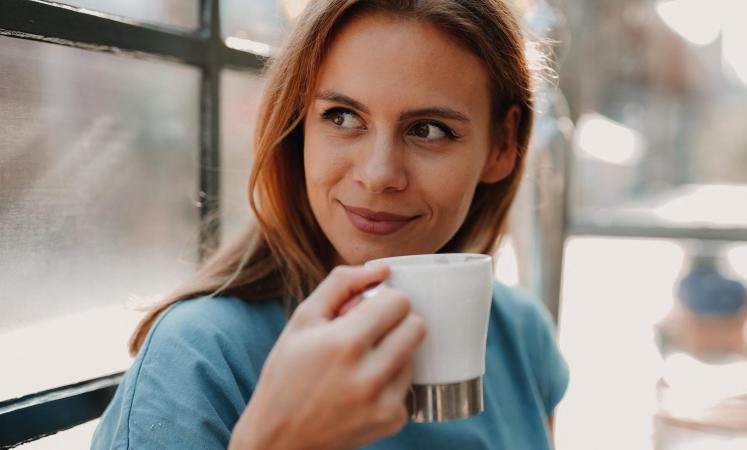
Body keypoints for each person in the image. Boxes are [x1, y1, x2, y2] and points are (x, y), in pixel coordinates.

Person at [91, 1, 569, 448]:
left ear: (503, 144)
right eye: (342, 117)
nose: (378, 174)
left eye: (428, 129)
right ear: (298, 125)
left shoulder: (521, 335)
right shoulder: (199, 359)